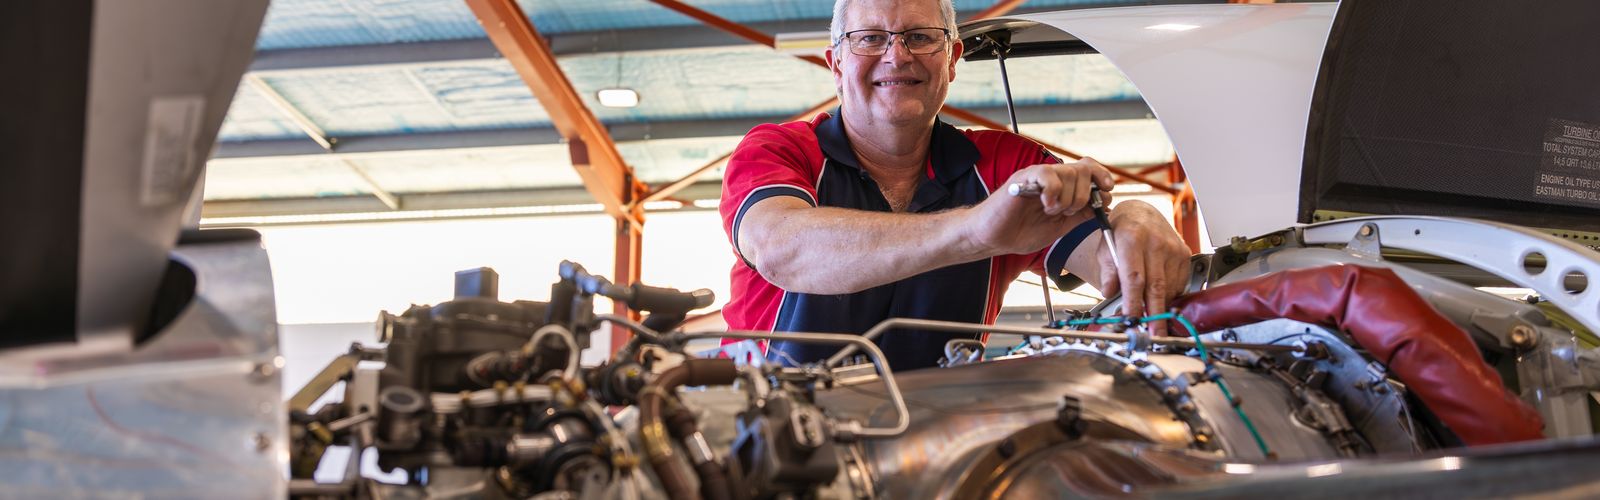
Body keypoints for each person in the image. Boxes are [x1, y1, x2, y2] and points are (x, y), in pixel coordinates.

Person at [717, 0, 1193, 371]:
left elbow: (1112, 266)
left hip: (937, 440)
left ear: (952, 59)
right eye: (870, 38)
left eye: (921, 37)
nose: (897, 56)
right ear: (837, 64)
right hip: (766, 426)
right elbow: (783, 250)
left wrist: (1131, 223)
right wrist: (975, 230)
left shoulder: (1008, 164)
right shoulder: (777, 151)